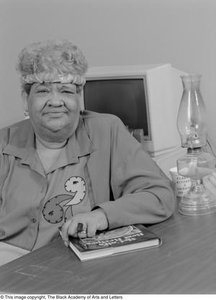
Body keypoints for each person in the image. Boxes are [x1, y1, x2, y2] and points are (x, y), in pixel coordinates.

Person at [0, 39, 175, 265]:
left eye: (65, 90)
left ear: (79, 98)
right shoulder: (4, 141)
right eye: (43, 91)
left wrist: (101, 215)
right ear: (26, 100)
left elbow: (159, 195)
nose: (55, 101)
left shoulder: (107, 131)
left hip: (72, 263)